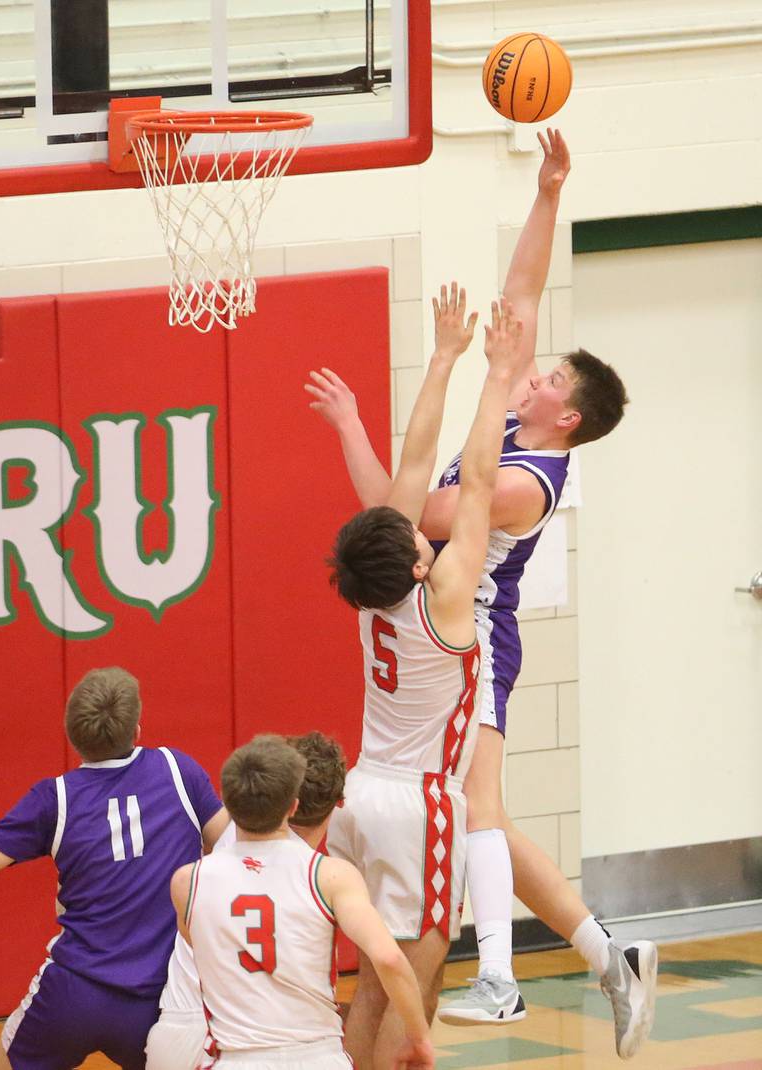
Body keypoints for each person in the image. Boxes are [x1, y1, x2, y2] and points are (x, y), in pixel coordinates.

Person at [306, 129, 657, 1061]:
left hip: (473, 634)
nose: (529, 366)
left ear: (563, 414)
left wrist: (370, 418)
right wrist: (546, 193)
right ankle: (604, 955)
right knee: (482, 818)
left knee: (482, 814)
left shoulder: (525, 478)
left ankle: (500, 976)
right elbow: (526, 292)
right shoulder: (516, 404)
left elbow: (403, 503)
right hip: (444, 626)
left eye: (542, 376)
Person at [314, 285, 529, 1069]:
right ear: (412, 558)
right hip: (419, 806)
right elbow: (475, 483)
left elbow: (412, 464)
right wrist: (495, 376)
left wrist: (443, 358)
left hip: (362, 790)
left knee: (378, 976)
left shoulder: (373, 597)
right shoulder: (443, 600)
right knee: (404, 981)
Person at [0, 666, 226, 1070]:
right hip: (158, 999)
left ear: (72, 733)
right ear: (137, 728)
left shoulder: (56, 798)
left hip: (72, 991)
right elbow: (233, 848)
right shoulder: (177, 770)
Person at [170, 734, 434, 1070]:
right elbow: (388, 958)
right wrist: (418, 1035)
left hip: (237, 1058)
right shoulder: (332, 875)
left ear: (229, 806)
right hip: (318, 1058)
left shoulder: (186, 882)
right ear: (292, 806)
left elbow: (203, 948)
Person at [145, 730, 348, 1070]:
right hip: (250, 1042)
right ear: (335, 806)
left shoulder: (227, 835)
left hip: (178, 1030)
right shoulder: (321, 878)